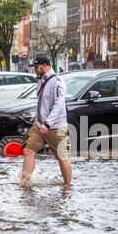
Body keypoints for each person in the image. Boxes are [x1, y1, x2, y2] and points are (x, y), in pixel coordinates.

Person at [19, 55, 73, 187]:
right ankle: (23, 183)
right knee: (28, 151)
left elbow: (59, 104)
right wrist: (36, 119)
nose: (35, 70)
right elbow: (42, 104)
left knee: (62, 157)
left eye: (36, 67)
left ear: (44, 66)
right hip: (39, 126)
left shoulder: (57, 82)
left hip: (55, 127)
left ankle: (68, 186)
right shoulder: (41, 81)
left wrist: (48, 123)